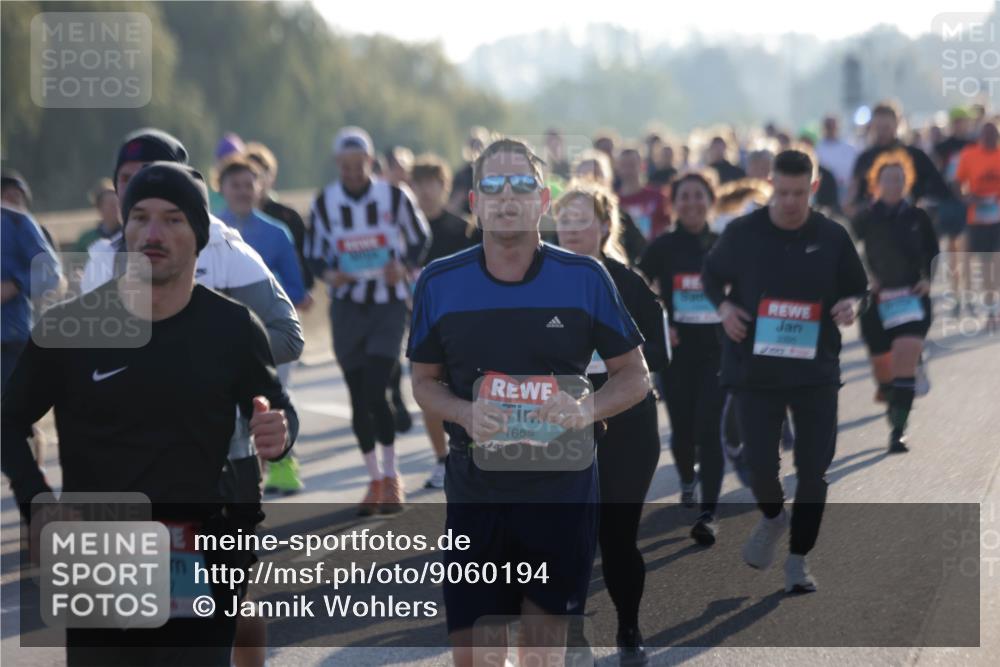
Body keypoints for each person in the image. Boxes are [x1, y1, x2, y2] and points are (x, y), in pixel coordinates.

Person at [1, 162, 298, 666]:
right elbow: (7, 421)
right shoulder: (72, 327)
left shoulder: (231, 327)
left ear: (200, 235)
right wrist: (36, 501)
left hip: (200, 551)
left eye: (173, 219)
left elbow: (275, 407)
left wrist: (280, 430)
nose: (152, 233)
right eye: (139, 217)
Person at [407, 137, 649, 667]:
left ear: (543, 200)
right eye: (492, 185)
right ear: (474, 203)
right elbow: (422, 382)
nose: (507, 196)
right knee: (478, 659)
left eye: (521, 184)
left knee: (541, 656)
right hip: (476, 491)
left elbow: (634, 377)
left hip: (560, 488)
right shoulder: (440, 281)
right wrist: (466, 412)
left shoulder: (584, 277)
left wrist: (584, 410)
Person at [81, 128, 304, 513]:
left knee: (225, 572)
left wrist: (210, 355)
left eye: (152, 172)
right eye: (127, 178)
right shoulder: (102, 259)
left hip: (225, 454)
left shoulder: (224, 249)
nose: (140, 186)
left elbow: (288, 336)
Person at [702, 150, 869, 593]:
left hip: (815, 371)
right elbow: (710, 275)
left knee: (814, 471)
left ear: (813, 188)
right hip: (755, 369)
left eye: (799, 192)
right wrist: (723, 307)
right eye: (782, 191)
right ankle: (774, 517)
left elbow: (858, 285)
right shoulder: (743, 232)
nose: (790, 201)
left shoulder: (833, 236)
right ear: (770, 184)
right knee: (759, 466)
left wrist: (853, 303)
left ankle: (799, 559)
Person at [555, 182, 665, 665]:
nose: (575, 231)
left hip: (626, 423)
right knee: (565, 534)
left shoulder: (630, 283)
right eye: (566, 222)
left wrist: (608, 358)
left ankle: (628, 628)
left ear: (604, 226)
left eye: (584, 221)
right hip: (558, 425)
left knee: (617, 537)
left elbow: (657, 355)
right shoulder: (539, 282)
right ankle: (574, 635)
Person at [306, 126, 430, 515]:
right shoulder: (325, 202)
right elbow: (312, 253)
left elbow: (419, 239)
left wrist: (404, 267)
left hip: (387, 304)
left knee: (376, 389)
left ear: (370, 162)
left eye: (358, 165)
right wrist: (330, 275)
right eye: (344, 166)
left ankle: (393, 477)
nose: (352, 173)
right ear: (337, 166)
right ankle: (374, 479)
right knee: (358, 395)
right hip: (347, 307)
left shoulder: (393, 196)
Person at [640, 172, 726, 545]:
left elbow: (748, 286)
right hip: (677, 353)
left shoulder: (725, 244)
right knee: (683, 429)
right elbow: (639, 287)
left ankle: (709, 512)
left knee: (710, 428)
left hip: (718, 351)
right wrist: (660, 321)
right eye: (684, 196)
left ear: (711, 199)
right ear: (674, 203)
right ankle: (687, 479)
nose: (692, 202)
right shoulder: (663, 246)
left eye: (699, 195)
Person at [852, 150, 938, 453]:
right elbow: (850, 253)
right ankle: (891, 390)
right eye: (888, 179)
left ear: (907, 182)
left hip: (911, 298)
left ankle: (897, 431)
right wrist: (864, 278)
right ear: (877, 183)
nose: (894, 184)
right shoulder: (864, 217)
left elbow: (934, 253)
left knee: (906, 351)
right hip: (876, 301)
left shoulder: (918, 217)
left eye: (899, 179)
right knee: (884, 370)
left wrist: (927, 279)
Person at [848, 101, 950, 214]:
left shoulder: (915, 156)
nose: (881, 132)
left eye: (886, 127)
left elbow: (938, 190)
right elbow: (854, 194)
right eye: (878, 127)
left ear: (897, 124)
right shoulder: (864, 158)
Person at [245, 141, 315, 293]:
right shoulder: (227, 221)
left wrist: (302, 290)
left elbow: (303, 262)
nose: (256, 182)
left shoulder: (288, 217)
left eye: (260, 174)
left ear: (272, 177)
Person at [954, 117, 1000, 325]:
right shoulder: (969, 155)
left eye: (994, 134)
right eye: (986, 134)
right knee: (987, 266)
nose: (990, 138)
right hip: (978, 220)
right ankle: (991, 312)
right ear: (980, 136)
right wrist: (966, 198)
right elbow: (956, 183)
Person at [573, 149, 647, 264]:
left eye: (596, 176)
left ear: (608, 180)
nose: (591, 183)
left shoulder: (622, 218)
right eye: (584, 178)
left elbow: (641, 252)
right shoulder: (564, 221)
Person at [616, 146, 671, 241]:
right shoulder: (614, 201)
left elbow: (668, 226)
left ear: (642, 166)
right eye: (624, 165)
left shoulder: (658, 196)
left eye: (632, 165)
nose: (628, 170)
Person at [815, 114, 857, 204]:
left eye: (832, 125)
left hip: (843, 190)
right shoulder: (817, 148)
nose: (830, 128)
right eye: (828, 125)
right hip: (823, 190)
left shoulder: (849, 148)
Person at [449, 127, 490, 214]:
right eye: (474, 147)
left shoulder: (493, 173)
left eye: (480, 147)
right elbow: (454, 204)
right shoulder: (462, 176)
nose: (477, 151)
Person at [74, 179, 121, 253]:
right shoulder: (86, 240)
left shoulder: (127, 236)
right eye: (110, 205)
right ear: (99, 208)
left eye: (117, 203)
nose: (115, 208)